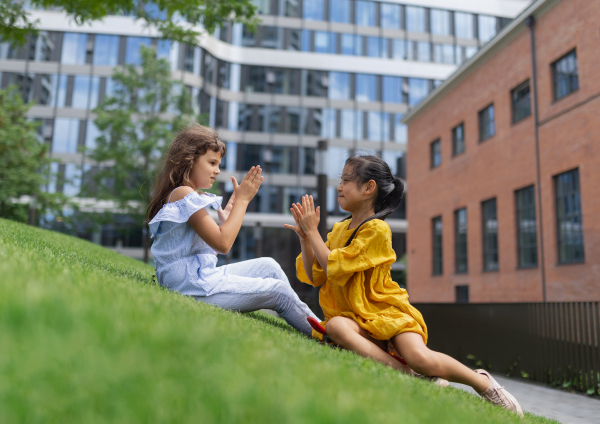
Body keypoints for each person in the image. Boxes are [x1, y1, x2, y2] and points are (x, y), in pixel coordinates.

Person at [286, 155, 523, 416]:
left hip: (387, 312)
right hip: (355, 316)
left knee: (421, 359)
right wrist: (305, 238)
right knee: (336, 326)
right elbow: (317, 275)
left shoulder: (377, 230)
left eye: (345, 181)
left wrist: (313, 232)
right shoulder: (339, 230)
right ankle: (408, 375)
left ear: (369, 188)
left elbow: (335, 265)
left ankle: (483, 383)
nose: (339, 187)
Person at [147, 124, 319, 336]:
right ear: (189, 160)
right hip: (189, 286)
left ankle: (304, 317)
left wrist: (225, 223)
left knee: (269, 265)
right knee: (279, 291)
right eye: (212, 163)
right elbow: (224, 243)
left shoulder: (186, 195)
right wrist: (243, 201)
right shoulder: (183, 194)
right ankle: (325, 334)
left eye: (218, 164)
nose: (217, 170)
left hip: (194, 278)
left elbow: (206, 250)